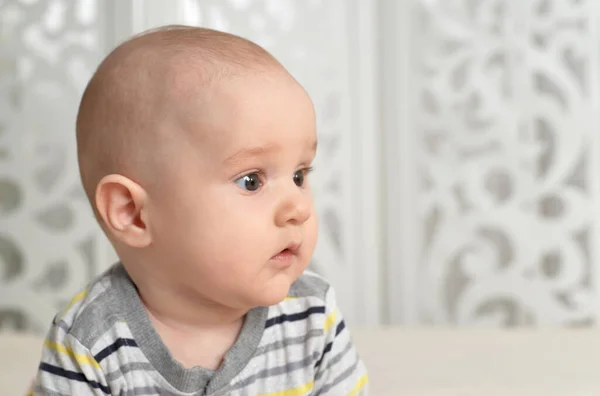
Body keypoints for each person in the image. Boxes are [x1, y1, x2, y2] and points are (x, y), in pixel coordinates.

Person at [31, 25, 368, 395]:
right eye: (251, 180)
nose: (299, 207)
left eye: (300, 175)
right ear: (133, 213)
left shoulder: (312, 315)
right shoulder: (91, 342)